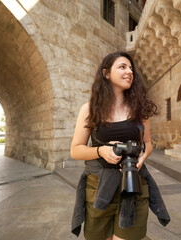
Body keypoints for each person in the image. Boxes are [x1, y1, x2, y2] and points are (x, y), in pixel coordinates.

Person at [70, 51, 170, 240]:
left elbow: (147, 144)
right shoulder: (89, 108)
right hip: (98, 187)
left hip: (133, 186)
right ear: (106, 73)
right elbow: (75, 150)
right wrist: (102, 151)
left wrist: (142, 158)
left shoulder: (140, 109)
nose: (129, 72)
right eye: (122, 67)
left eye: (131, 68)